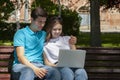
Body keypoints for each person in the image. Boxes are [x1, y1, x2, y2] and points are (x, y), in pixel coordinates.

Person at [12, 7, 61, 80]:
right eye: (39, 22)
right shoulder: (21, 34)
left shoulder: (43, 34)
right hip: (22, 66)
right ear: (32, 20)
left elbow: (57, 36)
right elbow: (20, 57)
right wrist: (34, 68)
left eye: (44, 22)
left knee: (54, 72)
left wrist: (71, 41)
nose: (42, 24)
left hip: (40, 65)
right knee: (28, 71)